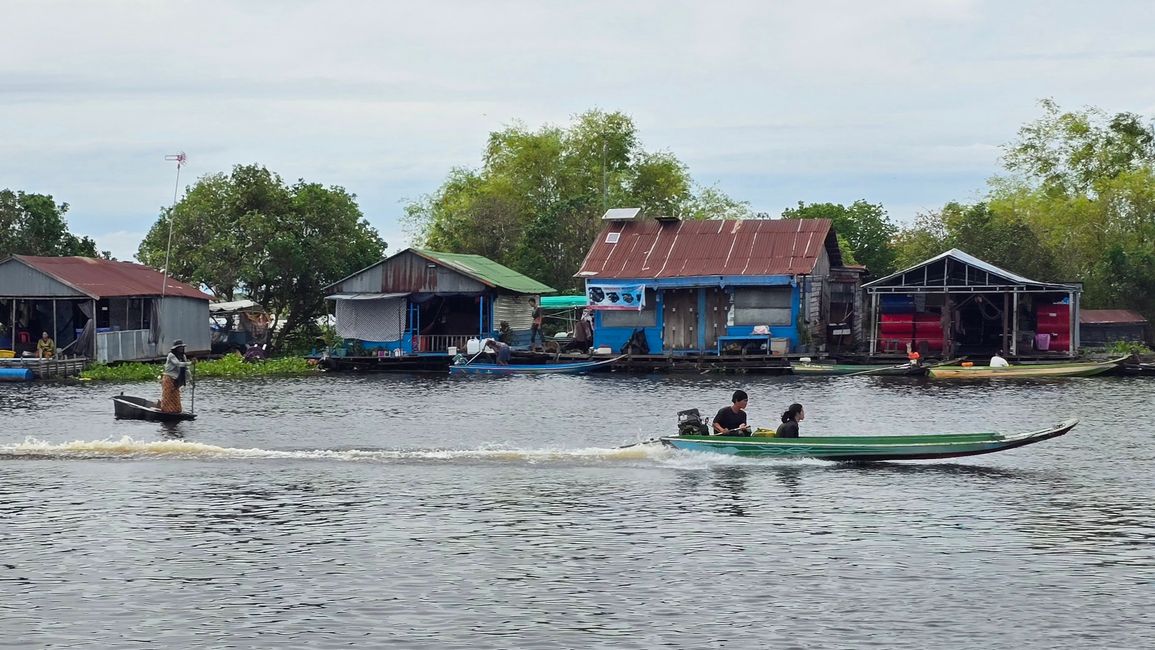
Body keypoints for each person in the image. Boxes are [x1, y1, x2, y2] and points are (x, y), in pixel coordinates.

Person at [159, 340, 193, 413]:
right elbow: (178, 364)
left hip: (176, 379)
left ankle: (176, 411)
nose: (181, 349)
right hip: (168, 378)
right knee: (168, 396)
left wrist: (191, 380)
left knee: (176, 397)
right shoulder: (171, 355)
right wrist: (190, 363)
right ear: (176, 348)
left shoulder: (183, 356)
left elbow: (186, 369)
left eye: (182, 347)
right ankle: (166, 411)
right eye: (179, 348)